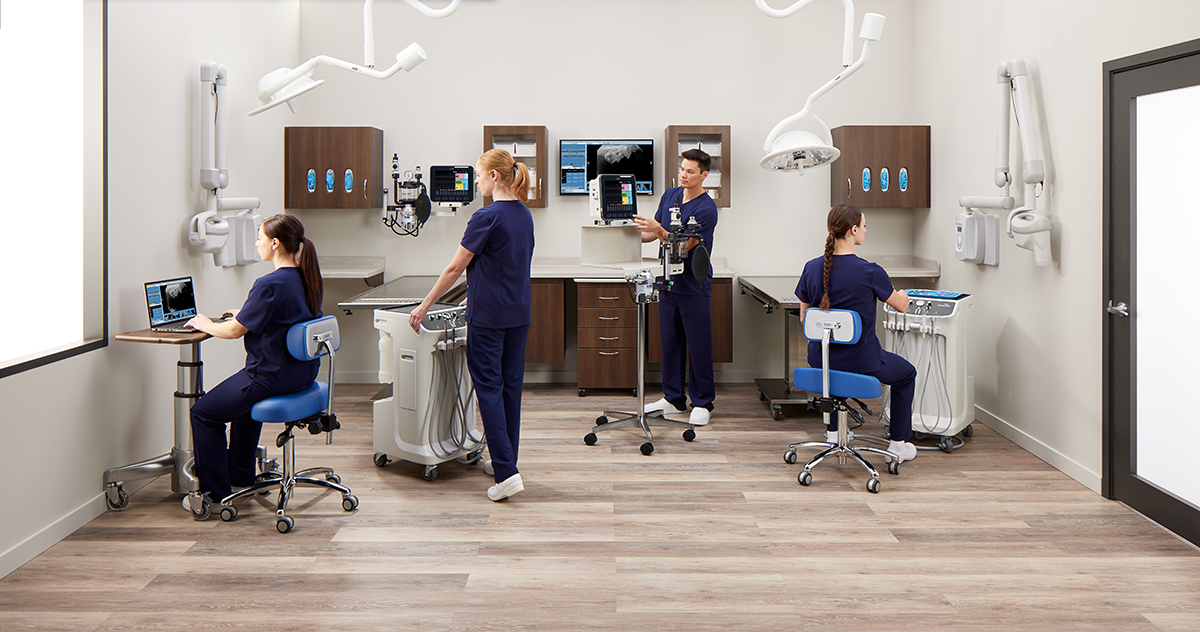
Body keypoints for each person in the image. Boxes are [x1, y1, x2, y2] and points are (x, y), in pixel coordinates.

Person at [408, 148, 534, 502]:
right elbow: (508, 264)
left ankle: (507, 475)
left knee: (489, 389)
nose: (476, 180)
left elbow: (454, 269)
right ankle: (505, 460)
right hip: (518, 313)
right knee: (510, 388)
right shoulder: (524, 214)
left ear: (495, 176)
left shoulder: (487, 216)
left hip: (490, 318)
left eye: (479, 174)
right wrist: (475, 293)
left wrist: (424, 305)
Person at [186, 214, 324, 504]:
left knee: (203, 413)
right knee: (243, 408)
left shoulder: (268, 284)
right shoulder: (307, 277)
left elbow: (235, 332)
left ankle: (215, 493)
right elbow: (287, 318)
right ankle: (240, 475)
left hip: (268, 377)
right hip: (301, 375)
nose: (257, 243)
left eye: (259, 238)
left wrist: (206, 324)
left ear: (275, 243)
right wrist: (245, 313)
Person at [795, 204, 918, 462]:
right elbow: (902, 305)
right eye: (864, 226)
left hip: (821, 361)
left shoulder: (810, 267)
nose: (865, 230)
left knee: (835, 362)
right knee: (906, 374)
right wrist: (903, 294)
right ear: (853, 230)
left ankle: (833, 433)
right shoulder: (870, 271)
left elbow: (806, 317)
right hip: (862, 363)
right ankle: (897, 445)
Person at [632, 148, 718, 426]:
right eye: (682, 169)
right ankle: (672, 398)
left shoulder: (706, 208)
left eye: (690, 171)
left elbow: (683, 245)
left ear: (704, 175)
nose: (684, 174)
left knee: (698, 344)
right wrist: (623, 230)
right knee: (670, 344)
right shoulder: (670, 195)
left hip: (693, 283)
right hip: (667, 281)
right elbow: (650, 234)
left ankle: (703, 401)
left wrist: (658, 230)